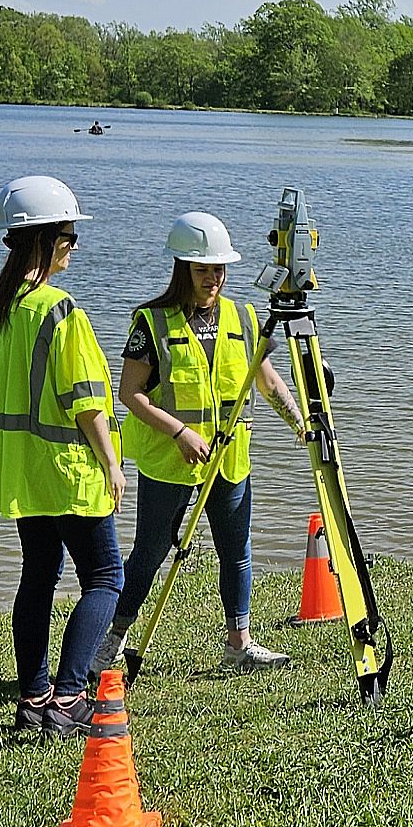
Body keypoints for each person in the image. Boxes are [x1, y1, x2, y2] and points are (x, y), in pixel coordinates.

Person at [100, 211, 307, 671]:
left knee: (237, 550)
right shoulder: (151, 322)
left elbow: (267, 380)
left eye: (218, 268)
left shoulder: (245, 316)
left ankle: (240, 643)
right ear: (182, 268)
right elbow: (129, 393)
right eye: (202, 269)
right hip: (170, 459)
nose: (212, 278)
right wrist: (179, 431)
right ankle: (112, 638)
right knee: (150, 553)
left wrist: (299, 424)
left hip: (229, 459)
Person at [0, 175, 123, 737]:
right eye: (69, 235)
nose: (74, 245)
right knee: (107, 577)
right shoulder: (60, 310)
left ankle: (34, 698)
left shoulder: (0, 310)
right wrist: (111, 463)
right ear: (44, 239)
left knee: (38, 575)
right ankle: (68, 697)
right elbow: (85, 400)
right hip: (68, 469)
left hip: (21, 471)